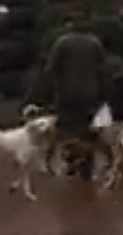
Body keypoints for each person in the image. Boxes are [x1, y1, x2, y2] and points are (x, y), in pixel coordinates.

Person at [44, 22, 109, 180]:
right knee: (88, 132)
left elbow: (51, 69)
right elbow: (103, 70)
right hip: (90, 93)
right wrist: (102, 92)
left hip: (66, 94)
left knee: (67, 130)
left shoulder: (62, 42)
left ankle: (71, 163)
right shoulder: (95, 43)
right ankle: (86, 166)